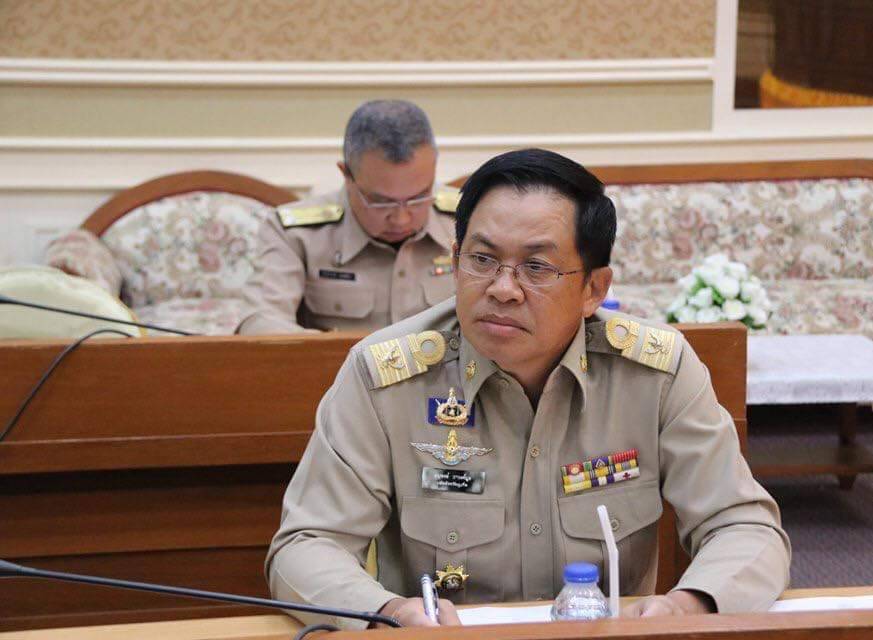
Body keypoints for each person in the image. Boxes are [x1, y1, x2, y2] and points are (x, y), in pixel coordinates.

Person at [266, 148, 791, 629]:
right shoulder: (384, 377)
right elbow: (307, 544)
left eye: (536, 267)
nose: (502, 288)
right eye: (482, 259)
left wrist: (688, 605)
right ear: (455, 261)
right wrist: (386, 612)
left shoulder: (655, 373)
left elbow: (745, 527)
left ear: (593, 289)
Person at [236, 100, 458, 334]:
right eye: (381, 202)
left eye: (419, 197)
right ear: (346, 174)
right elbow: (258, 323)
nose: (401, 218)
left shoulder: (467, 220)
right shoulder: (295, 234)